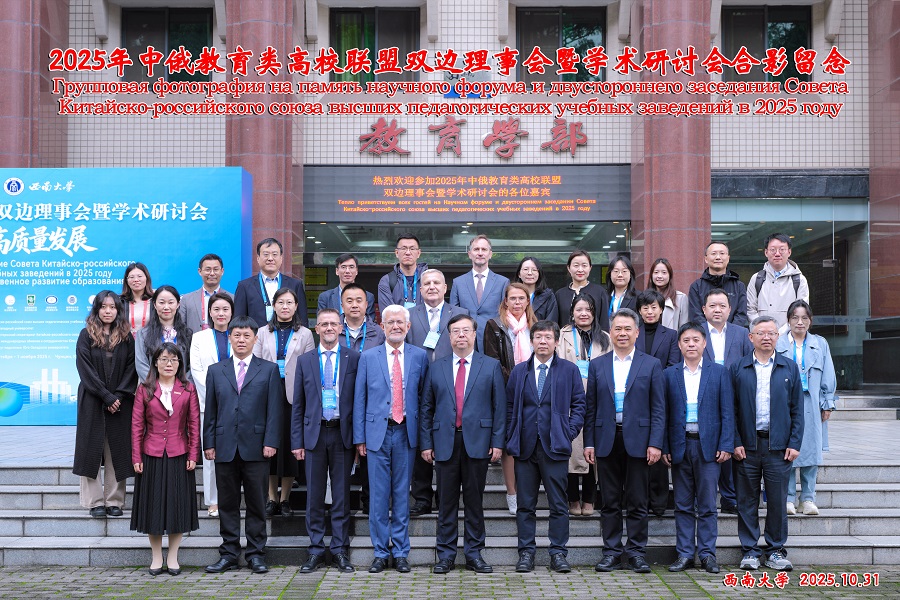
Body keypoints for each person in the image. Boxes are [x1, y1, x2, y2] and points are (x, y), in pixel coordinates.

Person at [419, 314, 506, 574]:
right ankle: (445, 555)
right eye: (456, 331)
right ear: (449, 336)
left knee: (474, 502)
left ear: (474, 334)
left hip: (478, 442)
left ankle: (474, 554)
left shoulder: (490, 366)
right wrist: (426, 443)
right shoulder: (436, 367)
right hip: (445, 442)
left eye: (466, 330)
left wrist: (497, 442)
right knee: (445, 502)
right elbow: (426, 408)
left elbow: (499, 407)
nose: (461, 335)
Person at [584, 308, 665, 574]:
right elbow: (591, 408)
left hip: (640, 441)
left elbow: (658, 408)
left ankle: (637, 553)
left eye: (627, 328)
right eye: (617, 328)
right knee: (609, 501)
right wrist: (589, 442)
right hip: (606, 439)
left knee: (638, 500)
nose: (622, 333)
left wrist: (655, 443)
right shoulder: (598, 364)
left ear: (637, 332)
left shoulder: (651, 364)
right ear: (611, 332)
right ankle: (611, 552)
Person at [203, 315, 282, 575]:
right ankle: (228, 554)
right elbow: (211, 411)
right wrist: (209, 442)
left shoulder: (268, 369)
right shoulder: (216, 370)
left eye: (247, 335)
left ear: (255, 339)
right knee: (227, 504)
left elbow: (274, 410)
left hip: (257, 447)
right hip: (224, 446)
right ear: (229, 338)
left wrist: (271, 441)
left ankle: (256, 554)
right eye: (236, 335)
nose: (241, 340)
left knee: (257, 503)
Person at [353, 305, 429, 574]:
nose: (395, 326)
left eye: (400, 322)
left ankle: (400, 551)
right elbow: (359, 398)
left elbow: (424, 398)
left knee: (401, 495)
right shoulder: (368, 357)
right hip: (377, 434)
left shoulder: (420, 356)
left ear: (408, 327)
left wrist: (424, 438)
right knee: (377, 496)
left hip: (406, 432)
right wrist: (359, 437)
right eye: (390, 322)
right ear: (382, 326)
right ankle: (380, 552)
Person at [505, 320, 585, 574]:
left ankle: (558, 553)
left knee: (558, 504)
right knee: (525, 505)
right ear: (531, 341)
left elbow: (579, 404)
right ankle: (526, 553)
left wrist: (569, 432)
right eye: (538, 337)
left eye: (548, 337)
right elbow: (509, 406)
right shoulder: (519, 371)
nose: (543, 341)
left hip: (555, 446)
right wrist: (511, 434)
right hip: (525, 448)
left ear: (556, 341)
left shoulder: (569, 370)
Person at [732, 316, 804, 572]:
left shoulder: (789, 367)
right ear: (751, 337)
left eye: (771, 333)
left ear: (777, 337)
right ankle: (750, 551)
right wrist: (735, 441)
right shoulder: (738, 368)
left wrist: (794, 442)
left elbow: (797, 409)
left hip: (778, 447)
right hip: (747, 447)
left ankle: (775, 550)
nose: (766, 337)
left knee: (777, 501)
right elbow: (731, 410)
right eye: (761, 333)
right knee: (747, 501)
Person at [292, 309, 360, 574]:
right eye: (324, 324)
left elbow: (360, 400)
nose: (329, 328)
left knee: (341, 495)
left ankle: (340, 549)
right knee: (314, 496)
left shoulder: (354, 358)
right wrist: (297, 441)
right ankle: (316, 549)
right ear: (316, 329)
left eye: (334, 323)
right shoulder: (305, 360)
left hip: (343, 434)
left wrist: (359, 439)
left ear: (341, 328)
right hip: (314, 434)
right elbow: (298, 404)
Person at [663, 323, 734, 575]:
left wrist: (726, 444)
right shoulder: (669, 374)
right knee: (682, 504)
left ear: (705, 343)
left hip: (709, 448)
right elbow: (663, 414)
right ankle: (684, 554)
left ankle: (706, 554)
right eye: (686, 340)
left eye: (696, 340)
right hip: (680, 445)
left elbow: (728, 412)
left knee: (707, 505)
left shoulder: (719, 372)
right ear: (679, 345)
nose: (691, 344)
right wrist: (664, 446)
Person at [130, 343, 200, 576]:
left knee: (177, 507)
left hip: (179, 454)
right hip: (151, 454)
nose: (169, 364)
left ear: (180, 364)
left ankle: (173, 557)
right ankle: (156, 557)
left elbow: (194, 424)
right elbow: (136, 426)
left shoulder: (188, 389)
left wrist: (193, 454)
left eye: (173, 360)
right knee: (154, 508)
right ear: (155, 363)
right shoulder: (145, 389)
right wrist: (136, 456)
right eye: (164, 359)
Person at [406, 268, 470, 517]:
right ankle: (422, 497)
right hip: (417, 386)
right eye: (427, 283)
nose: (432, 286)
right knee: (420, 440)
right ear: (420, 289)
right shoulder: (410, 315)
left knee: (447, 443)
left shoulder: (461, 314)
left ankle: (445, 496)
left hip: (450, 387)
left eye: (437, 283)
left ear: (445, 288)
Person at [73, 291, 137, 519]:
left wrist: (117, 395)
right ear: (97, 309)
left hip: (120, 401)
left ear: (118, 310)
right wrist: (105, 396)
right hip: (92, 399)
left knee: (117, 450)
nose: (108, 311)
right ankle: (94, 502)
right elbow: (85, 368)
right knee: (90, 448)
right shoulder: (86, 335)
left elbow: (131, 369)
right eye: (103, 307)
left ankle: (114, 501)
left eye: (112, 307)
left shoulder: (127, 337)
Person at [253, 288, 315, 518]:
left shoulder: (305, 334)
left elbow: (309, 366)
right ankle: (271, 498)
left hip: (294, 395)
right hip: (268, 393)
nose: (285, 306)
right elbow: (256, 363)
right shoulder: (262, 332)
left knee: (290, 446)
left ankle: (285, 498)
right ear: (274, 305)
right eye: (281, 302)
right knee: (270, 444)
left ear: (296, 306)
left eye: (289, 302)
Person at [776, 300, 837, 516]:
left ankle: (808, 499)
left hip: (812, 403)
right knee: (786, 450)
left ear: (810, 321)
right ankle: (788, 498)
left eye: (804, 318)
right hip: (785, 404)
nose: (799, 322)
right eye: (795, 317)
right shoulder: (778, 343)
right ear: (788, 320)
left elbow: (828, 373)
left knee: (811, 450)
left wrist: (828, 403)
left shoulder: (820, 344)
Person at [482, 283, 537, 515]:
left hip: (535, 391)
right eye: (512, 298)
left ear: (527, 301)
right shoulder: (494, 326)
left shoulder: (535, 326)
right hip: (507, 392)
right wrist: (518, 380)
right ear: (505, 301)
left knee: (531, 441)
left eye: (521, 298)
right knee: (509, 445)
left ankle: (527, 492)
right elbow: (493, 362)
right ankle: (512, 494)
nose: (517, 302)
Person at [700, 288, 753, 515]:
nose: (717, 310)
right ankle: (704, 498)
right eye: (712, 305)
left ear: (729, 309)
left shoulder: (741, 333)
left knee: (731, 446)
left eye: (722, 306)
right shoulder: (696, 332)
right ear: (704, 309)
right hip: (704, 399)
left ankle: (730, 498)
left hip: (735, 397)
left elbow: (750, 364)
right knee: (707, 448)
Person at [558, 293, 611, 517]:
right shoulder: (562, 335)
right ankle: (572, 498)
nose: (583, 314)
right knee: (571, 450)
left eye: (588, 309)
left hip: (597, 399)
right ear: (572, 312)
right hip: (569, 400)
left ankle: (589, 498)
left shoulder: (605, 337)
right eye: (579, 309)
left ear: (594, 313)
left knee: (593, 450)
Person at [635, 289, 680, 517]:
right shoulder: (633, 333)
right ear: (639, 311)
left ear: (661, 309)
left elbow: (672, 365)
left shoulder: (671, 335)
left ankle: (660, 502)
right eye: (645, 308)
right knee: (639, 451)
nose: (650, 311)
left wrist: (652, 381)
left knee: (658, 447)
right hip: (636, 397)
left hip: (662, 396)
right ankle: (640, 500)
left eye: (654, 307)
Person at [189, 291, 234, 517]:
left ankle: (233, 497)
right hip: (209, 403)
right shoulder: (199, 338)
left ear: (232, 312)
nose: (221, 313)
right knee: (211, 453)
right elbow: (197, 371)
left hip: (239, 404)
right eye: (216, 309)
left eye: (225, 309)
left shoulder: (240, 334)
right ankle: (213, 500)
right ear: (209, 312)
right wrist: (216, 397)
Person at [450, 234, 510, 350]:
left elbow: (505, 313)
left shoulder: (503, 282)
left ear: (490, 254)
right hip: (465, 341)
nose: (480, 253)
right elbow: (454, 314)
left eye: (484, 249)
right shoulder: (458, 282)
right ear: (469, 254)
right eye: (476, 249)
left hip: (493, 341)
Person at [234, 237, 309, 328]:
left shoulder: (295, 285)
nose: (270, 258)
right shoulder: (244, 286)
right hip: (256, 336)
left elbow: (302, 319)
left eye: (274, 254)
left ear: (281, 258)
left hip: (288, 335)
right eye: (266, 254)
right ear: (258, 258)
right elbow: (238, 320)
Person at [747, 233, 810, 329]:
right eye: (773, 250)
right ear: (766, 252)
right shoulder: (756, 278)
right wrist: (764, 329)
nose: (777, 253)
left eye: (782, 249)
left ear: (789, 252)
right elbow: (750, 309)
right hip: (762, 335)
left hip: (789, 335)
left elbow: (801, 312)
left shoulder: (799, 280)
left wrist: (782, 333)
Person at [134, 285, 193, 382]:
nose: (166, 307)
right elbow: (141, 365)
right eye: (161, 302)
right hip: (152, 388)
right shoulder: (143, 334)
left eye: (171, 302)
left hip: (182, 388)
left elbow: (192, 366)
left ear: (178, 304)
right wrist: (157, 386)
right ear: (154, 304)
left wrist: (181, 387)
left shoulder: (187, 334)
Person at [688, 241, 749, 326]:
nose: (718, 257)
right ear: (706, 259)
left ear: (728, 258)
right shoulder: (696, 286)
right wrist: (710, 331)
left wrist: (730, 331)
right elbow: (696, 315)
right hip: (704, 333)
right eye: (713, 253)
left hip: (733, 333)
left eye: (722, 253)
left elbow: (741, 314)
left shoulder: (738, 286)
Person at [555, 250, 610, 331]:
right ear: (569, 268)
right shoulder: (560, 294)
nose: (580, 270)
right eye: (576, 265)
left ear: (590, 268)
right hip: (566, 338)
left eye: (584, 265)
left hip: (594, 338)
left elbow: (604, 322)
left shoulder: (600, 292)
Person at [179, 254, 233, 334]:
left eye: (216, 269)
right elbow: (180, 327)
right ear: (199, 271)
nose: (212, 273)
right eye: (208, 269)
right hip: (193, 341)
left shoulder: (232, 298)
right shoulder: (187, 299)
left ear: (222, 271)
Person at [377, 233, 428, 312]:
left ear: (418, 253)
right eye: (403, 248)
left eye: (412, 249)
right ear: (397, 253)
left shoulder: (429, 279)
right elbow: (387, 314)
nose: (408, 253)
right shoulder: (387, 281)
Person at [317, 253, 376, 320]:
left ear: (356, 271)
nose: (347, 271)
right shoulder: (325, 297)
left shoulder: (368, 297)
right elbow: (321, 322)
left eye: (351, 267)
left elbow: (370, 322)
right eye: (343, 267)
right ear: (337, 271)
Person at [339, 283, 385, 354]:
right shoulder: (333, 330)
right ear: (342, 306)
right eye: (349, 301)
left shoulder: (378, 332)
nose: (354, 305)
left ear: (366, 305)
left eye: (359, 301)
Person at [647, 258, 690, 331]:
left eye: (664, 272)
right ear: (651, 275)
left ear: (670, 275)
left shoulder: (681, 298)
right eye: (656, 272)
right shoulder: (644, 297)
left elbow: (684, 328)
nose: (659, 276)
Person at [514, 256, 558, 322]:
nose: (529, 273)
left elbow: (551, 323)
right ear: (519, 274)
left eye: (534, 270)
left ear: (539, 274)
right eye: (526, 269)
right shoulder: (511, 294)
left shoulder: (548, 296)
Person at [120, 262, 154, 337]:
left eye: (139, 276)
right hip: (127, 342)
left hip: (150, 342)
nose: (136, 280)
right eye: (132, 277)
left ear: (147, 278)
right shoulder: (120, 302)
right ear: (126, 280)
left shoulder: (155, 301)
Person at [604, 255, 638, 321]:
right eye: (616, 271)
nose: (620, 275)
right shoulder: (603, 296)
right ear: (610, 274)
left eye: (624, 271)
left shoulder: (638, 297)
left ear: (630, 275)